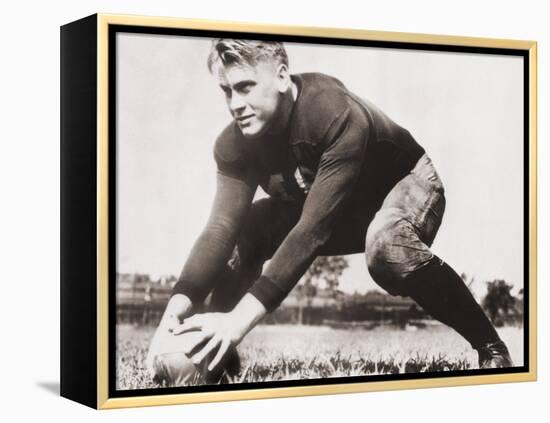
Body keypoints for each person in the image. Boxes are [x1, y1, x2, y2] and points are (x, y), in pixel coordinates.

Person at [146, 39, 512, 385]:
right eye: (226, 91)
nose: (234, 103)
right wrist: (172, 315)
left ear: (282, 75)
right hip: (323, 205)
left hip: (400, 185)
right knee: (241, 238)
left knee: (387, 247)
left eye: (245, 87)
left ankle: (490, 345)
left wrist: (237, 322)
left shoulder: (331, 110)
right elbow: (219, 229)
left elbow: (312, 230)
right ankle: (218, 359)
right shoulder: (232, 145)